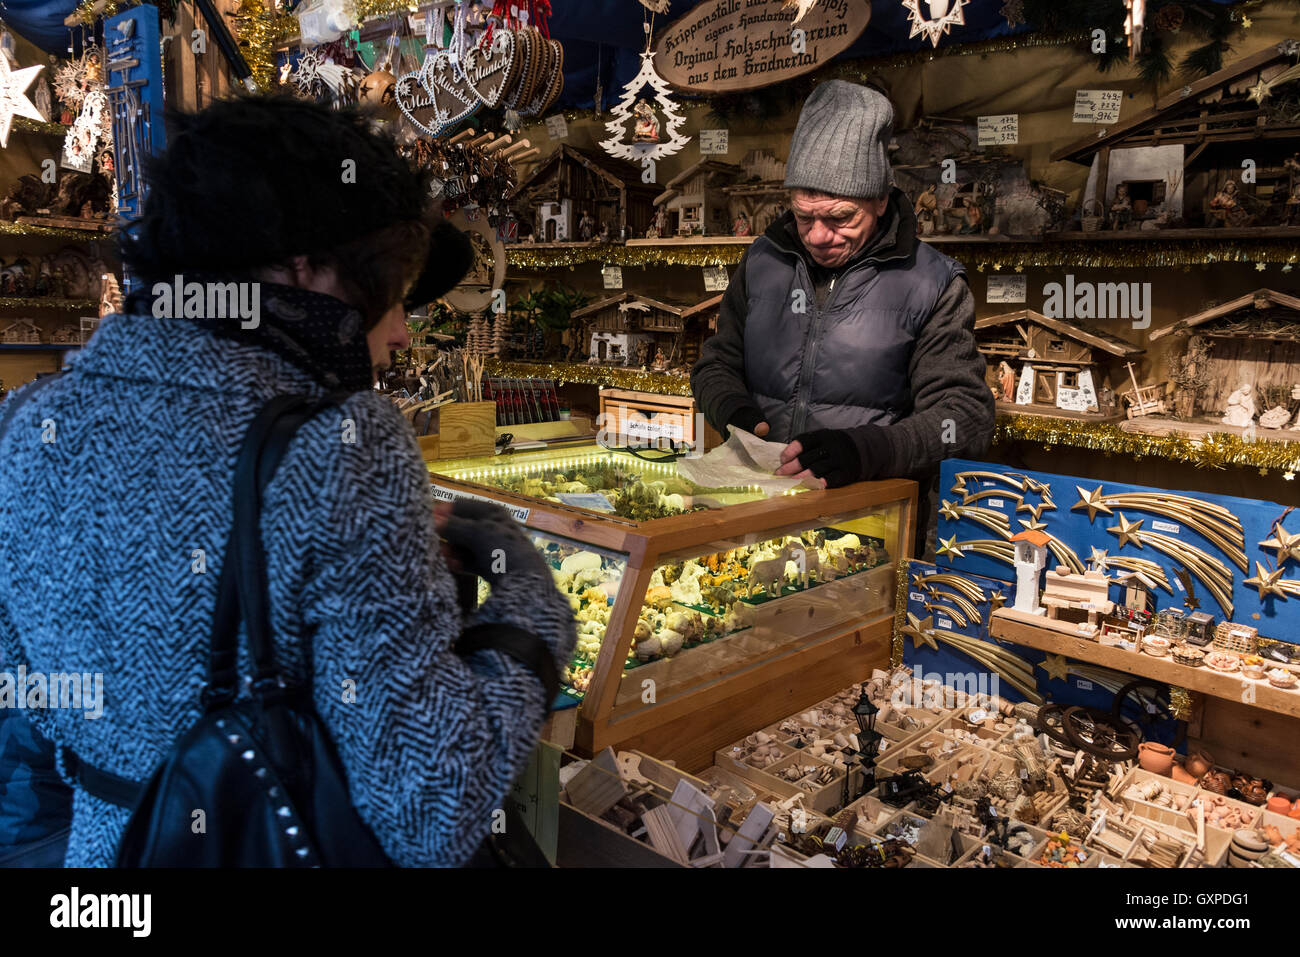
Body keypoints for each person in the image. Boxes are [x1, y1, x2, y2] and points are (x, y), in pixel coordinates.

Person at [0, 97, 575, 868]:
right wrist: (530, 608)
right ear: (302, 265)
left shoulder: (25, 422)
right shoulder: (341, 446)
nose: (401, 330)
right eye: (388, 286)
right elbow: (434, 809)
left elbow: (31, 701)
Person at [691, 81, 995, 554]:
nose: (817, 235)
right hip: (755, 512)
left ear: (878, 199)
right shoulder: (763, 261)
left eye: (839, 217)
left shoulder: (933, 283)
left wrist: (866, 451)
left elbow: (964, 419)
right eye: (803, 215)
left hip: (868, 531)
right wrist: (733, 410)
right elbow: (716, 363)